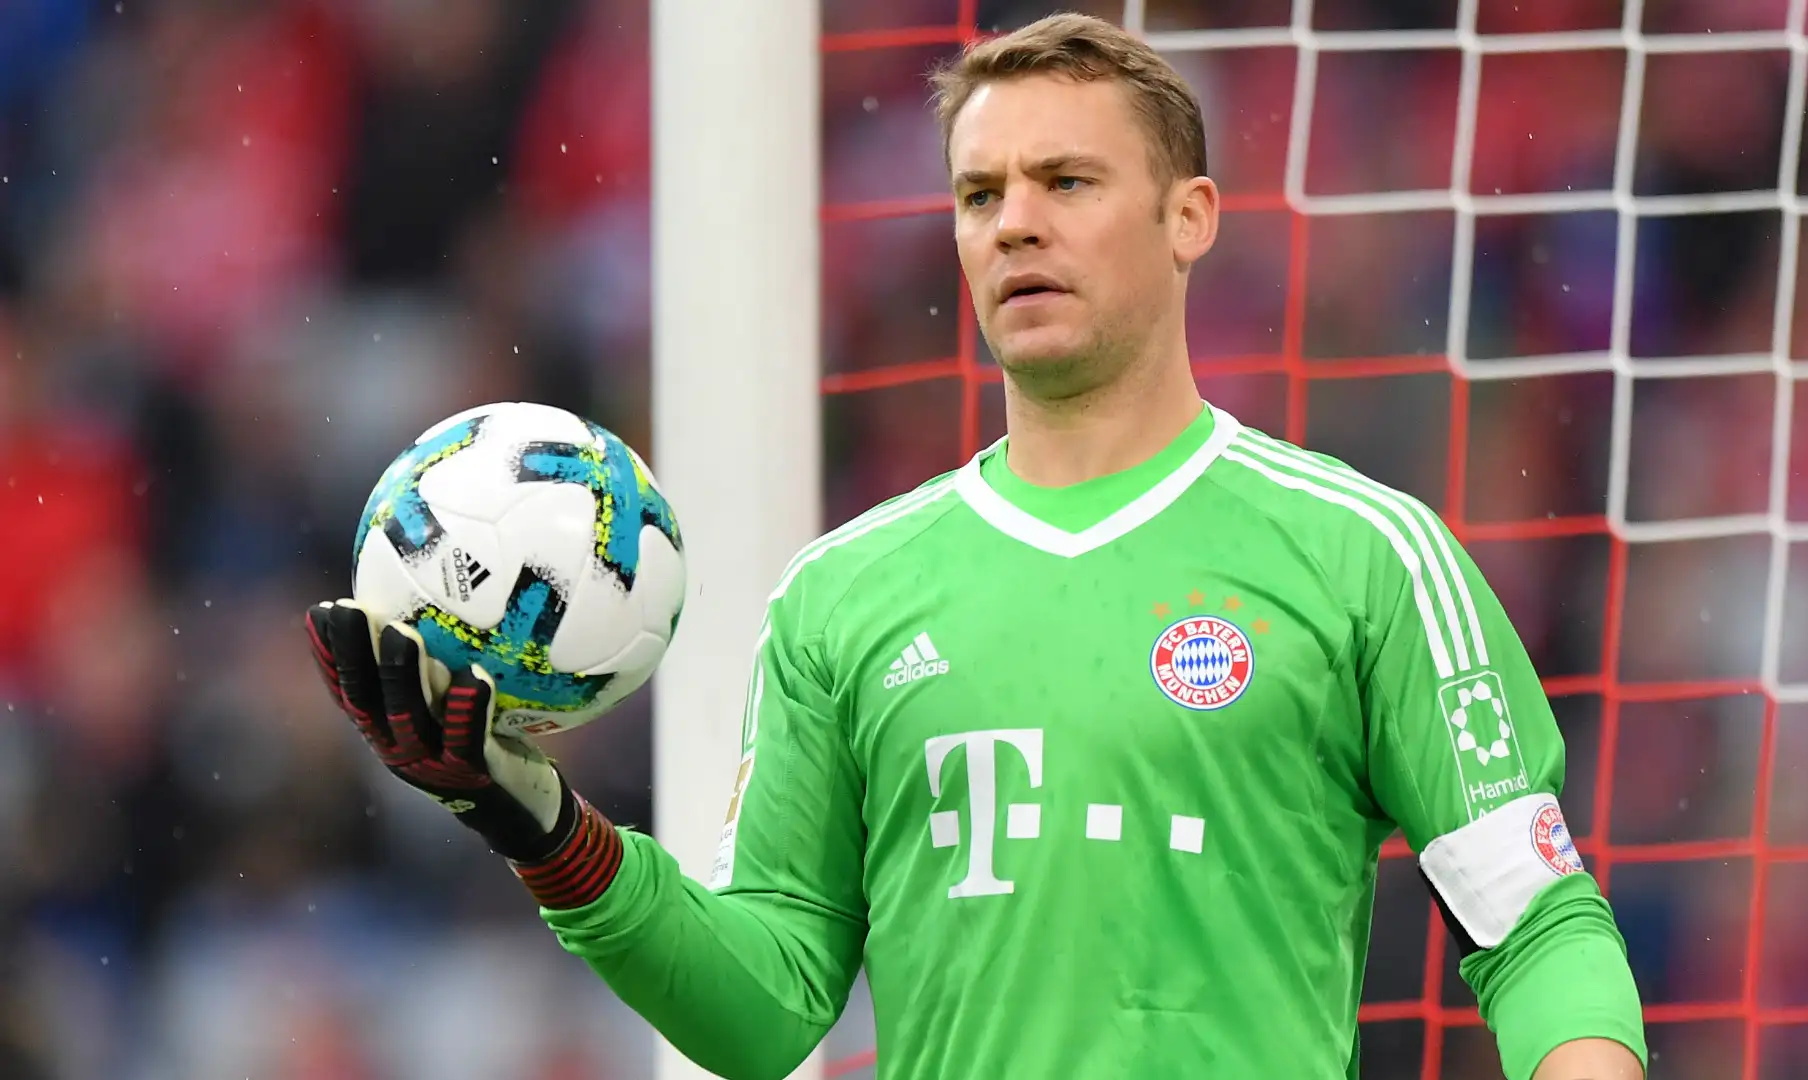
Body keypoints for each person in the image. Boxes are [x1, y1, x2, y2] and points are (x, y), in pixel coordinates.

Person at [304, 12, 1646, 1080]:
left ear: (1189, 217)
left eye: (1067, 181)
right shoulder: (842, 598)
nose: (1014, 222)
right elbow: (767, 1007)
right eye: (980, 192)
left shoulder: (1364, 555)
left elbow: (1535, 923)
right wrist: (537, 824)